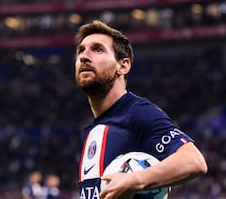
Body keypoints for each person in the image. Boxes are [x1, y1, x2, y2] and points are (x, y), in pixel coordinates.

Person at [74, 20, 208, 199]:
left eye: (97, 49)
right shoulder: (89, 130)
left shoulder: (137, 112)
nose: (84, 56)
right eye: (80, 51)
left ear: (123, 66)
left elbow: (194, 161)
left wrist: (135, 180)